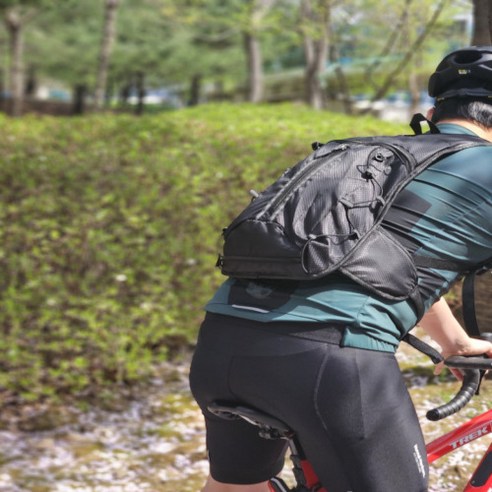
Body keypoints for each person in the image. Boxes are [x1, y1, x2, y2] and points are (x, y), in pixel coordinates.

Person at [189, 46, 492, 492]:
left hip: (222, 344)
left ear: (432, 113)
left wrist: (456, 341)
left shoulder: (380, 158)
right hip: (331, 366)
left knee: (236, 486)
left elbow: (384, 260)